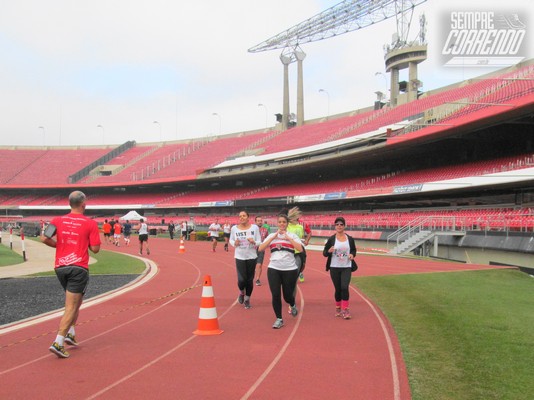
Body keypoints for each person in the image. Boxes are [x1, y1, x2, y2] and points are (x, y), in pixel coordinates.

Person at [41, 191, 101, 358]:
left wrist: (59, 246)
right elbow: (95, 248)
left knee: (76, 301)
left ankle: (71, 333)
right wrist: (85, 242)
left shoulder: (57, 221)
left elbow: (44, 238)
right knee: (72, 306)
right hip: (78, 268)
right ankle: (58, 342)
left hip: (60, 267)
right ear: (84, 205)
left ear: (70, 204)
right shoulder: (90, 223)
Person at [258, 213, 303, 329]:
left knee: (287, 295)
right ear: (277, 224)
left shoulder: (292, 236)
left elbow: (300, 249)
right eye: (280, 222)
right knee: (275, 294)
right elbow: (260, 248)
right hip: (274, 268)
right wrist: (273, 237)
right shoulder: (272, 236)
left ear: (287, 224)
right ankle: (279, 318)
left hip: (290, 269)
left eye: (284, 222)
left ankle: (292, 304)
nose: (282, 224)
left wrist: (288, 238)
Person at [322, 216, 357, 320]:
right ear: (335, 226)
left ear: (344, 226)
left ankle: (345, 310)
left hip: (346, 266)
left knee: (344, 287)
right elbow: (324, 253)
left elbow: (354, 250)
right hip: (334, 267)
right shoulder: (331, 239)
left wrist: (352, 255)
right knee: (338, 289)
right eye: (337, 224)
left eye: (341, 224)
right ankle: (338, 307)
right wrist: (329, 251)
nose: (339, 226)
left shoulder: (349, 239)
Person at [229, 211, 261, 309]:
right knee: (242, 279)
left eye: (244, 216)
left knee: (249, 280)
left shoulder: (254, 228)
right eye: (240, 216)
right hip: (239, 256)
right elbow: (231, 240)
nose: (241, 217)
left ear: (248, 217)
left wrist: (254, 242)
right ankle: (241, 292)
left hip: (251, 256)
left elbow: (259, 241)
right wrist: (235, 243)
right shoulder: (234, 228)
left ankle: (247, 299)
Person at [254, 215, 270, 286]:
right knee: (252, 265)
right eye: (258, 221)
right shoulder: (252, 230)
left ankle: (257, 279)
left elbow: (267, 239)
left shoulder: (265, 230)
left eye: (261, 221)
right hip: (252, 250)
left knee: (259, 265)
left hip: (261, 249)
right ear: (255, 222)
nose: (260, 222)